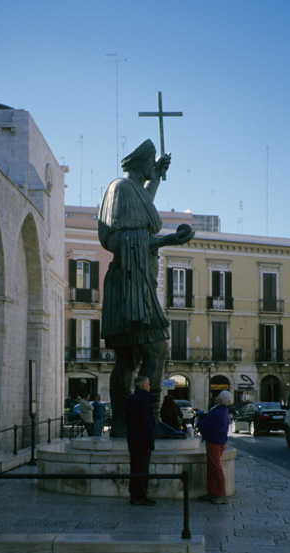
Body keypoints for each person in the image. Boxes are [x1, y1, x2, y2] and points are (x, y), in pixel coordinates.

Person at [99, 139, 194, 437]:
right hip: (132, 285)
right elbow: (125, 236)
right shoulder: (122, 189)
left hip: (128, 281)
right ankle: (148, 421)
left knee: (127, 358)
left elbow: (140, 212)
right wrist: (167, 240)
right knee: (155, 350)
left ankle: (121, 423)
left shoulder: (131, 191)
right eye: (151, 161)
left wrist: (155, 180)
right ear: (141, 163)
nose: (154, 165)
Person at [124, 375, 156, 506]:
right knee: (142, 469)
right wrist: (150, 442)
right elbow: (147, 423)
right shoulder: (144, 400)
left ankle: (134, 494)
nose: (149, 386)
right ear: (143, 386)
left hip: (133, 439)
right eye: (148, 384)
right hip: (142, 440)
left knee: (135, 468)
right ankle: (141, 496)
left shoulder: (131, 399)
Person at [197, 390, 233, 504]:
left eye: (218, 395)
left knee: (216, 468)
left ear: (220, 399)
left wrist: (200, 423)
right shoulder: (221, 410)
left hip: (215, 442)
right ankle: (211, 492)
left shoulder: (219, 412)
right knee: (212, 467)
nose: (216, 396)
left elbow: (209, 424)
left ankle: (221, 494)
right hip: (216, 441)